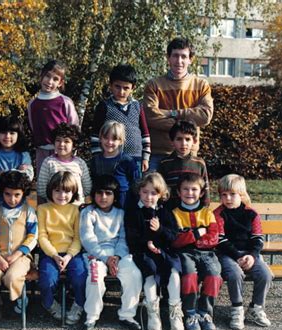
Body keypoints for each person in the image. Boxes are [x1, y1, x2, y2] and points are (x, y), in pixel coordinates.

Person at [80, 175, 143, 330]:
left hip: (117, 254)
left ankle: (127, 315)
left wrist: (117, 257)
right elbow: (88, 239)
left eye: (108, 193)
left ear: (115, 196)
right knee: (95, 277)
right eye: (99, 193)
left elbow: (123, 238)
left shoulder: (120, 213)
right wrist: (105, 258)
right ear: (94, 194)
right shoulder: (88, 212)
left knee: (134, 274)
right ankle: (92, 316)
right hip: (96, 254)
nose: (103, 197)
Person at [125, 172, 183, 330]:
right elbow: (131, 237)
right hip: (143, 252)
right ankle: (153, 312)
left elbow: (173, 236)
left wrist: (160, 230)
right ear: (139, 191)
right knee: (150, 271)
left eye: (153, 193)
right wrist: (147, 243)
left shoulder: (165, 212)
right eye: (145, 192)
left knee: (173, 271)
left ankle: (174, 311)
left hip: (164, 251)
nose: (148, 197)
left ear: (161, 195)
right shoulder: (133, 212)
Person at [143, 37, 213, 171]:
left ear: (190, 60)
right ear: (168, 58)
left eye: (183, 56)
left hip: (188, 153)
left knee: (187, 192)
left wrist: (171, 113)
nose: (179, 61)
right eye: (175, 56)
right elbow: (151, 117)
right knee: (153, 191)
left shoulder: (201, 85)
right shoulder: (154, 85)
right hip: (159, 153)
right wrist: (188, 124)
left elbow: (205, 116)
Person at [214, 174, 272, 330]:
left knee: (265, 274)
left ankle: (256, 307)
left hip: (250, 254)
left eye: (232, 194)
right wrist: (238, 256)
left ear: (242, 194)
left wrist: (252, 256)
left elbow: (258, 238)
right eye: (224, 195)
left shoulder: (251, 214)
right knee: (234, 274)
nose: (228, 198)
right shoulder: (218, 214)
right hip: (227, 254)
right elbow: (220, 240)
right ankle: (237, 309)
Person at [170, 173, 222, 330]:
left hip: (207, 252)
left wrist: (192, 238)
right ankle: (190, 312)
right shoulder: (175, 213)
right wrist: (198, 233)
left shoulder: (207, 213)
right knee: (189, 275)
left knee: (214, 275)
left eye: (194, 189)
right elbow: (176, 240)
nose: (189, 193)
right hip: (185, 253)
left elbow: (214, 237)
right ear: (179, 192)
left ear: (201, 193)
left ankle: (205, 312)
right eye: (185, 189)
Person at [0, 171, 38, 318]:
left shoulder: (29, 212)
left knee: (12, 277)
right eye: (8, 194)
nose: (12, 199)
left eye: (17, 195)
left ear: (23, 194)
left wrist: (17, 254)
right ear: (2, 192)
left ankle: (21, 299)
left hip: (21, 256)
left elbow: (33, 237)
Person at [38, 171, 87, 325]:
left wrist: (68, 256)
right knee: (47, 280)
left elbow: (78, 238)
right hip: (50, 253)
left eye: (67, 191)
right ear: (50, 190)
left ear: (73, 193)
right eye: (57, 190)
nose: (61, 195)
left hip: (72, 253)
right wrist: (54, 255)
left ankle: (79, 304)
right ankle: (49, 303)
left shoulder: (76, 210)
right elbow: (42, 236)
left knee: (80, 277)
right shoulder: (43, 209)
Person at [91, 64, 151, 175]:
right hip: (112, 158)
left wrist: (145, 157)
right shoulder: (104, 106)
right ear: (110, 85)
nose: (121, 91)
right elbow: (95, 133)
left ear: (133, 88)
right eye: (117, 86)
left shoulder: (138, 106)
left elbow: (145, 133)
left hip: (136, 157)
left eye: (126, 88)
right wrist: (97, 156)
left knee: (135, 188)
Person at [27, 60, 79, 176]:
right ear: (41, 76)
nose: (50, 81)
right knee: (44, 184)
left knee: (63, 183)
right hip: (42, 151)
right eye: (47, 76)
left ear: (60, 83)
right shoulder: (33, 103)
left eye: (55, 79)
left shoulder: (65, 102)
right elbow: (32, 126)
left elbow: (74, 126)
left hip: (62, 151)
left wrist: (71, 149)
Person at [158, 119, 209, 208]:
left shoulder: (199, 163)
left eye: (188, 139)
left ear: (194, 141)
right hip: (171, 210)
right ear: (172, 141)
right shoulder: (165, 163)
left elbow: (205, 188)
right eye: (179, 139)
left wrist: (205, 208)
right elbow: (160, 189)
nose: (183, 143)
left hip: (194, 211)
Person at [0, 117, 34, 208]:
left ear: (19, 135)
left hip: (19, 203)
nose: (7, 136)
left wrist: (2, 175)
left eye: (12, 133)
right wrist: (17, 173)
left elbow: (28, 177)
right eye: (3, 132)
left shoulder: (24, 155)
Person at [37, 123, 91, 205]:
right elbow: (42, 190)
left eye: (66, 141)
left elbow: (87, 188)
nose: (61, 144)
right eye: (58, 140)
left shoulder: (80, 163)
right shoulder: (48, 162)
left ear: (74, 145)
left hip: (76, 209)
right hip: (54, 209)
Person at [89, 120, 140, 207]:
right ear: (100, 138)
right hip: (101, 204)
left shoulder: (127, 161)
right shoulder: (95, 160)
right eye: (106, 138)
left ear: (121, 141)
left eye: (114, 139)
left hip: (123, 204)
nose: (109, 142)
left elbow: (136, 183)